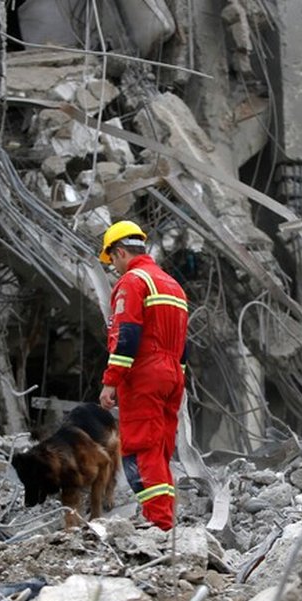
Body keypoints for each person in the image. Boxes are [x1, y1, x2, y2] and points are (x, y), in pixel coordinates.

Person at [97, 220, 189, 531]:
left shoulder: (132, 282)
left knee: (141, 448)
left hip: (145, 375)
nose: (114, 268)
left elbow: (127, 337)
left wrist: (111, 381)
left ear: (120, 252)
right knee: (160, 448)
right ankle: (163, 519)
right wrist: (176, 377)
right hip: (173, 374)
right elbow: (184, 346)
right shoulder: (172, 285)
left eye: (112, 261)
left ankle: (159, 524)